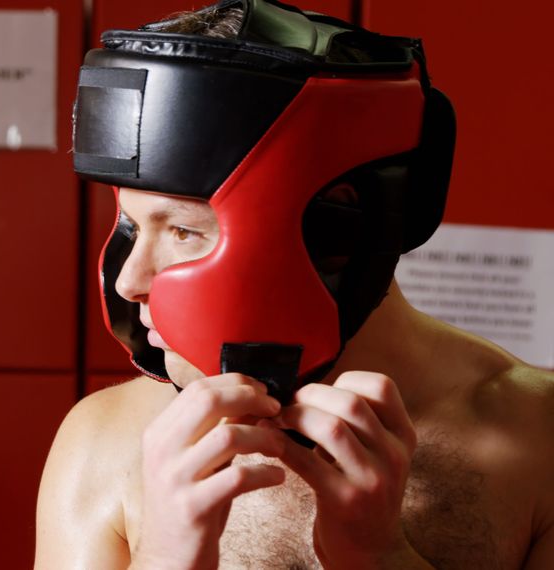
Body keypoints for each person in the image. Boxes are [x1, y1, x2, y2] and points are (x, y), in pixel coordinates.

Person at [34, 1, 554, 568]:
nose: (131, 280)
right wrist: (164, 557)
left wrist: (380, 556)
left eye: (183, 230)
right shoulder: (104, 443)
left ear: (337, 227)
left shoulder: (537, 440)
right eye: (134, 226)